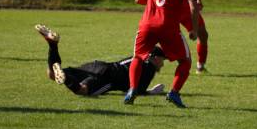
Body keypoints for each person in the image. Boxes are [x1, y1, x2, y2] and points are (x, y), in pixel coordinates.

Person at [126, 0, 200, 108]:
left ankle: (132, 89)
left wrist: (155, 4)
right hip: (168, 27)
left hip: (147, 25)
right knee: (185, 61)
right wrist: (193, 29)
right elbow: (194, 8)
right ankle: (173, 92)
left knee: (138, 57)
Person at [35, 24, 165, 96]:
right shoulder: (149, 68)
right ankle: (66, 79)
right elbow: (137, 91)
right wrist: (152, 92)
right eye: (162, 59)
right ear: (153, 57)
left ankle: (53, 44)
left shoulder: (138, 56)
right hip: (107, 76)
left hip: (97, 66)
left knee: (52, 74)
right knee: (82, 90)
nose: (163, 64)